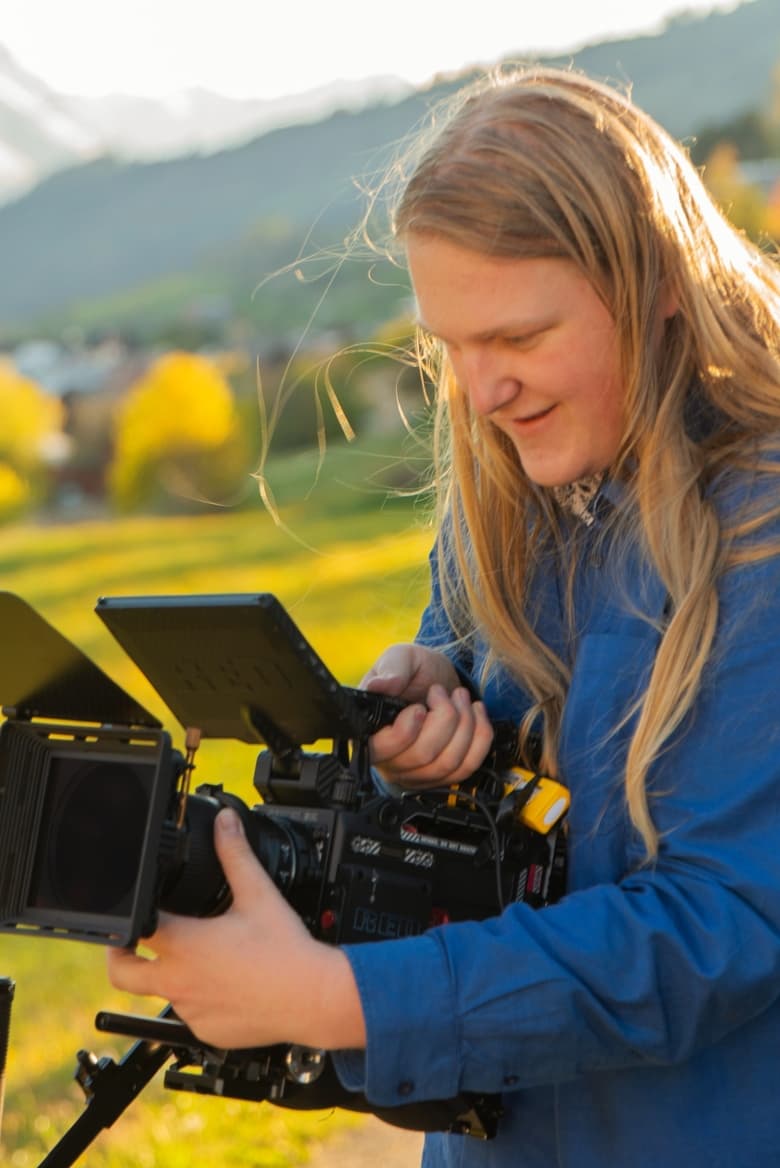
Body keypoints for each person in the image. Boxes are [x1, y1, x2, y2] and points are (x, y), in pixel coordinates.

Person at [107, 66, 780, 1166]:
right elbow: (496, 838)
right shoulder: (500, 503)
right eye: (451, 346)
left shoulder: (762, 526)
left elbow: (724, 929)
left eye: (517, 338)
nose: (480, 392)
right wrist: (425, 733)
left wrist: (340, 999)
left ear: (659, 279)